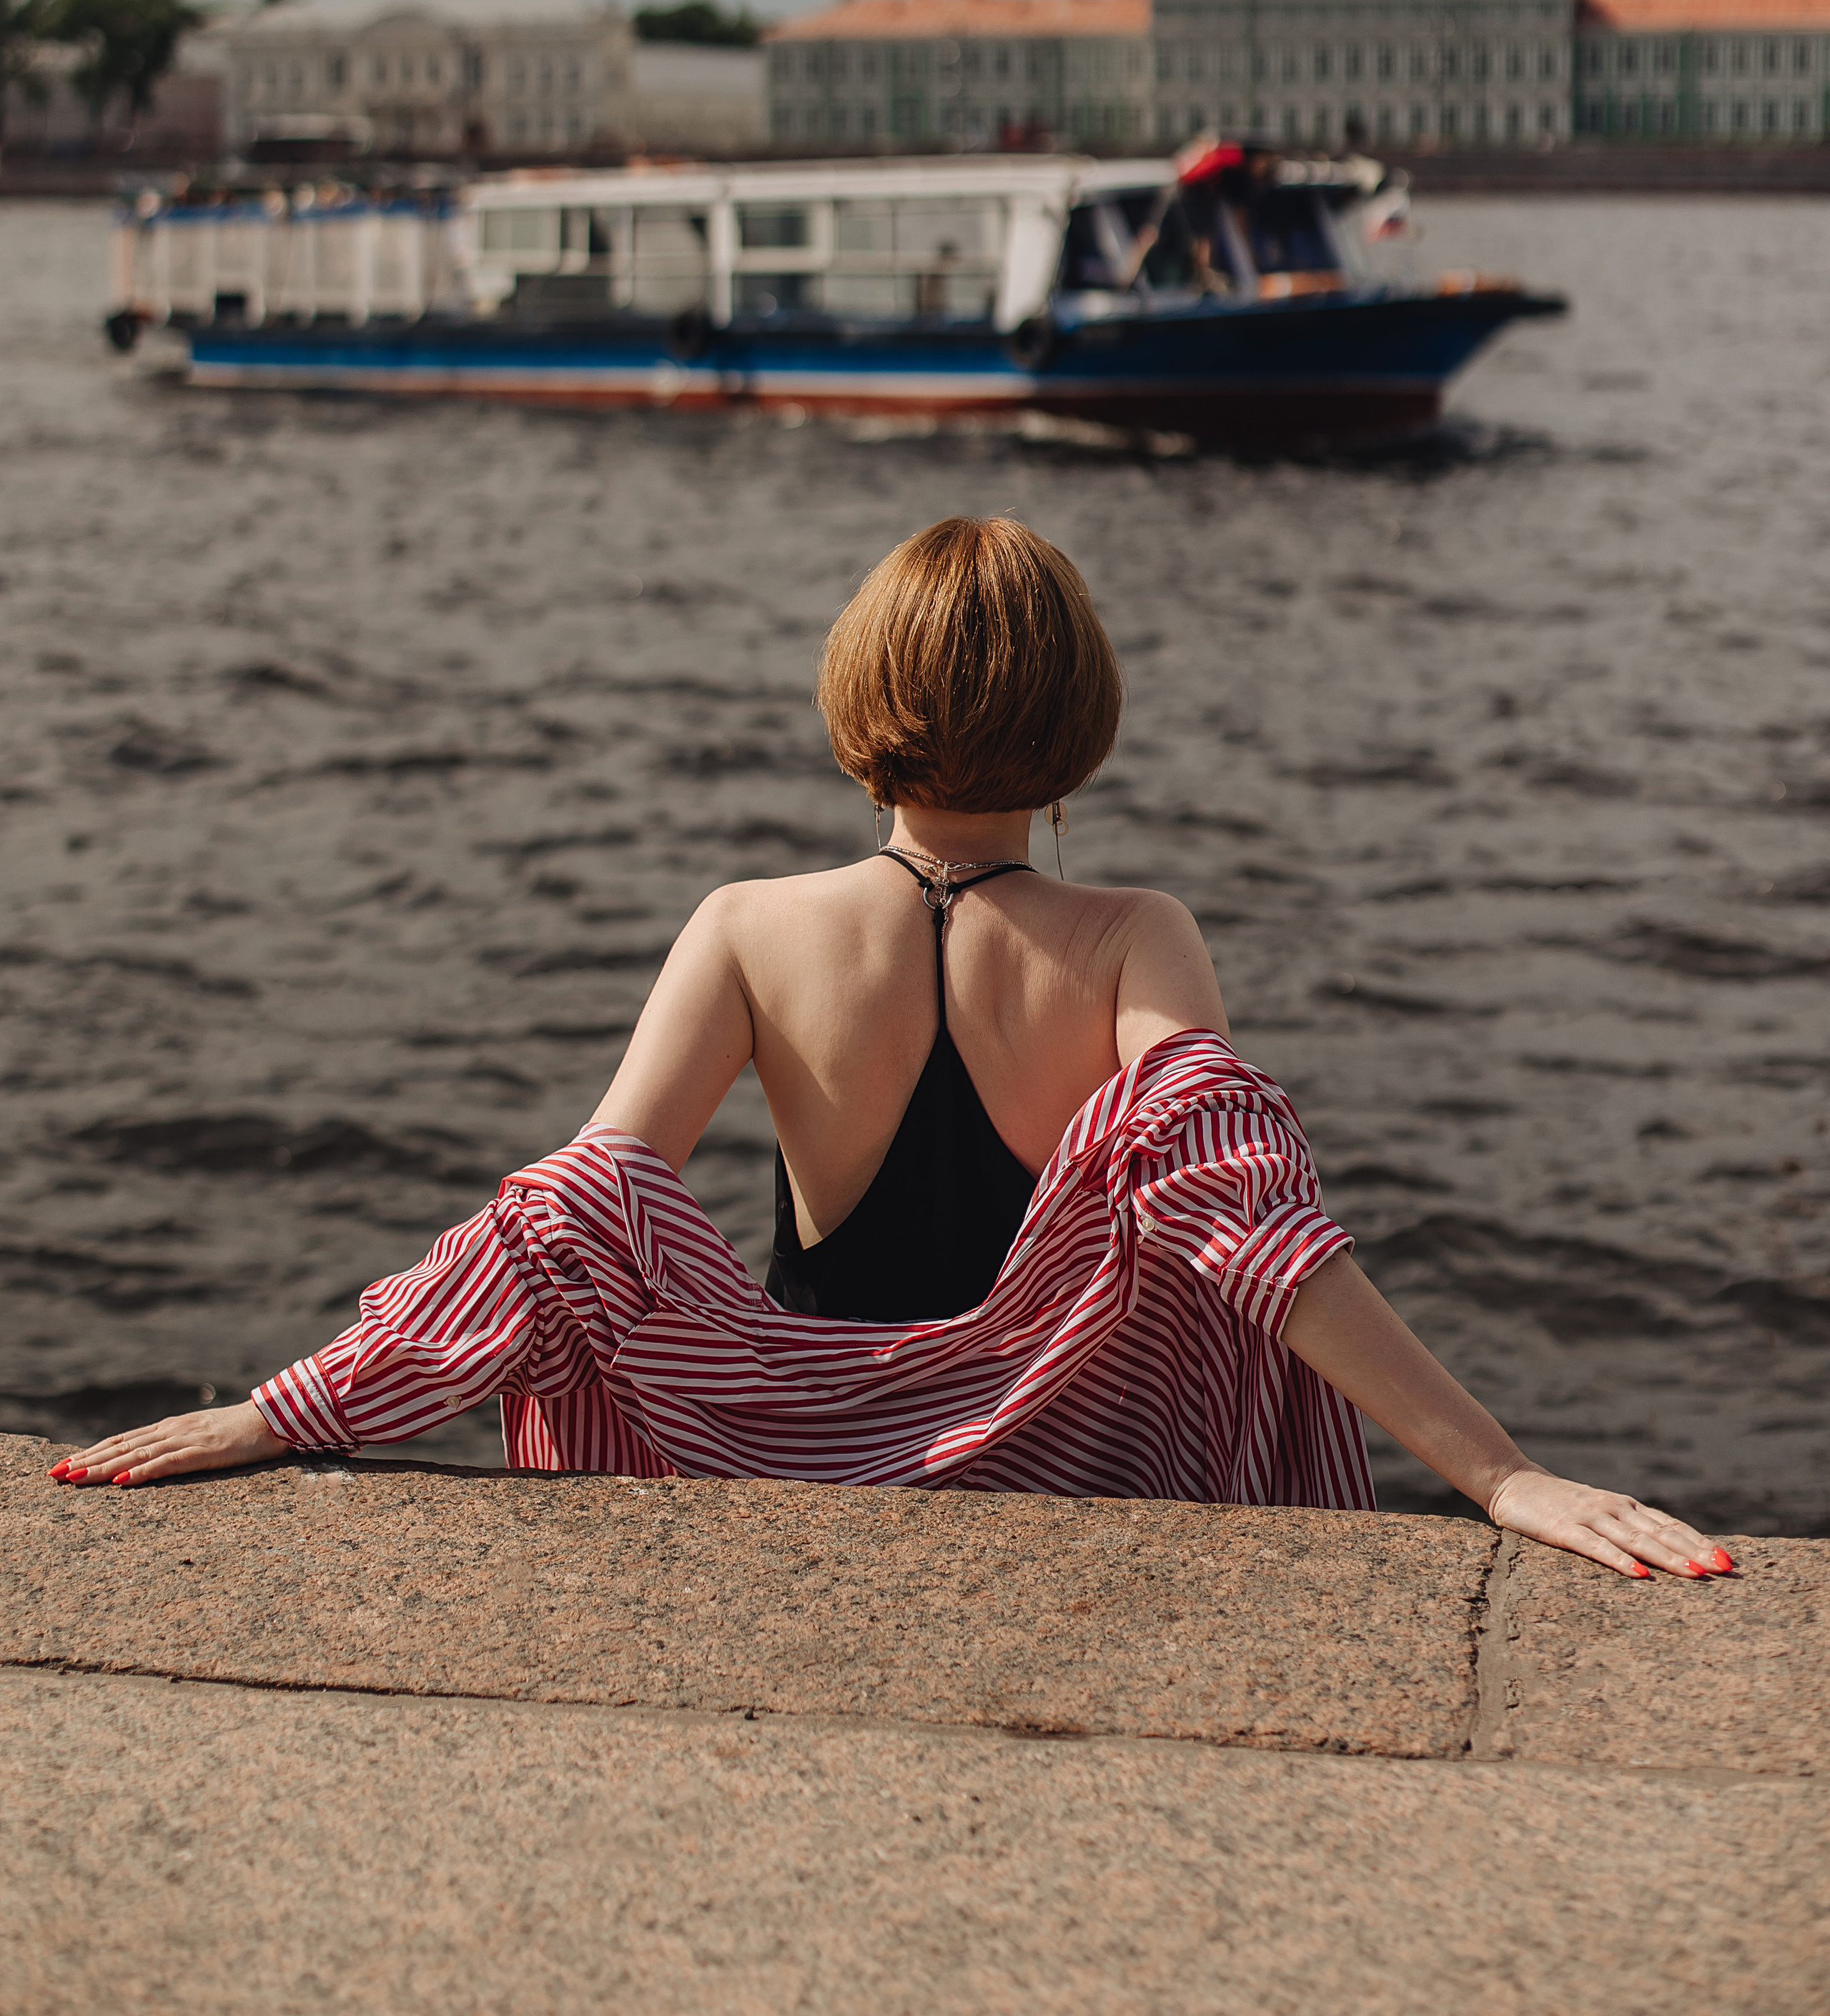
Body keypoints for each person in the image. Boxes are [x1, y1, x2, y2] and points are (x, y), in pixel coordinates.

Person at [52, 518, 1731, 1581]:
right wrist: (1492, 1476)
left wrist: (302, 1406)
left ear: (860, 699)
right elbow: (1248, 1223)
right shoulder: (1132, 932)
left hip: (787, 1433)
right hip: (1077, 1447)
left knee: (617, 1223)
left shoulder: (747, 923)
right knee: (1192, 1176)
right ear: (1079, 720)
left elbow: (576, 1215)